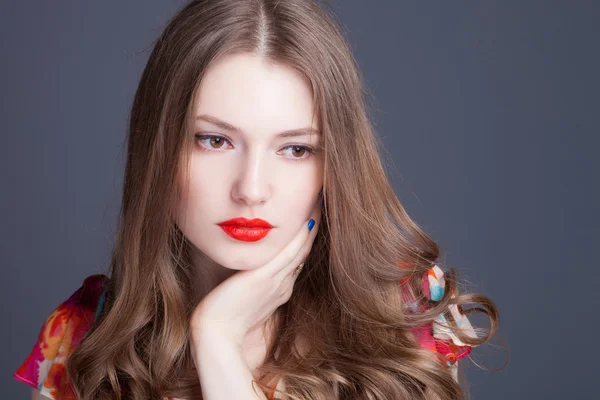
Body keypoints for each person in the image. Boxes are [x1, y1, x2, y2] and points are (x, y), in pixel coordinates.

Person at [13, 0, 501, 399]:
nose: (250, 188)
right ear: (158, 148)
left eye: (295, 149)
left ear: (333, 166)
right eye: (214, 140)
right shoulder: (81, 337)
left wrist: (219, 344)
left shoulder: (404, 320)